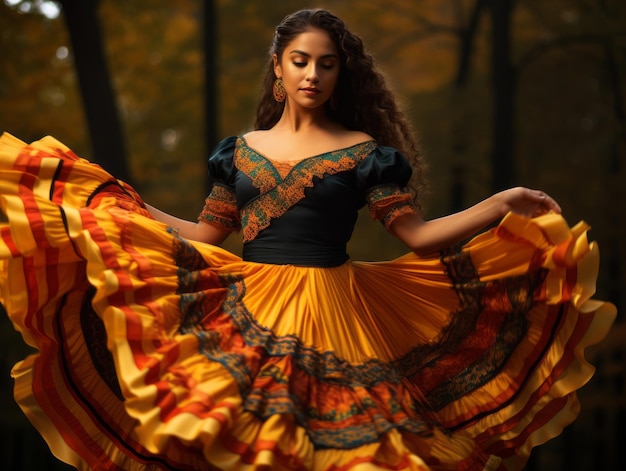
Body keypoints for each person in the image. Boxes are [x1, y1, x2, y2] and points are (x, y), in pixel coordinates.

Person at [0, 8, 616, 471]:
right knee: (245, 442)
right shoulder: (238, 153)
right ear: (278, 66)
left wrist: (501, 203)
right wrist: (128, 207)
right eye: (300, 60)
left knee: (355, 452)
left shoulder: (367, 155)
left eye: (327, 62)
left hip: (338, 314)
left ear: (341, 71)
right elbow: (205, 234)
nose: (313, 74)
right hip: (247, 309)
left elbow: (420, 238)